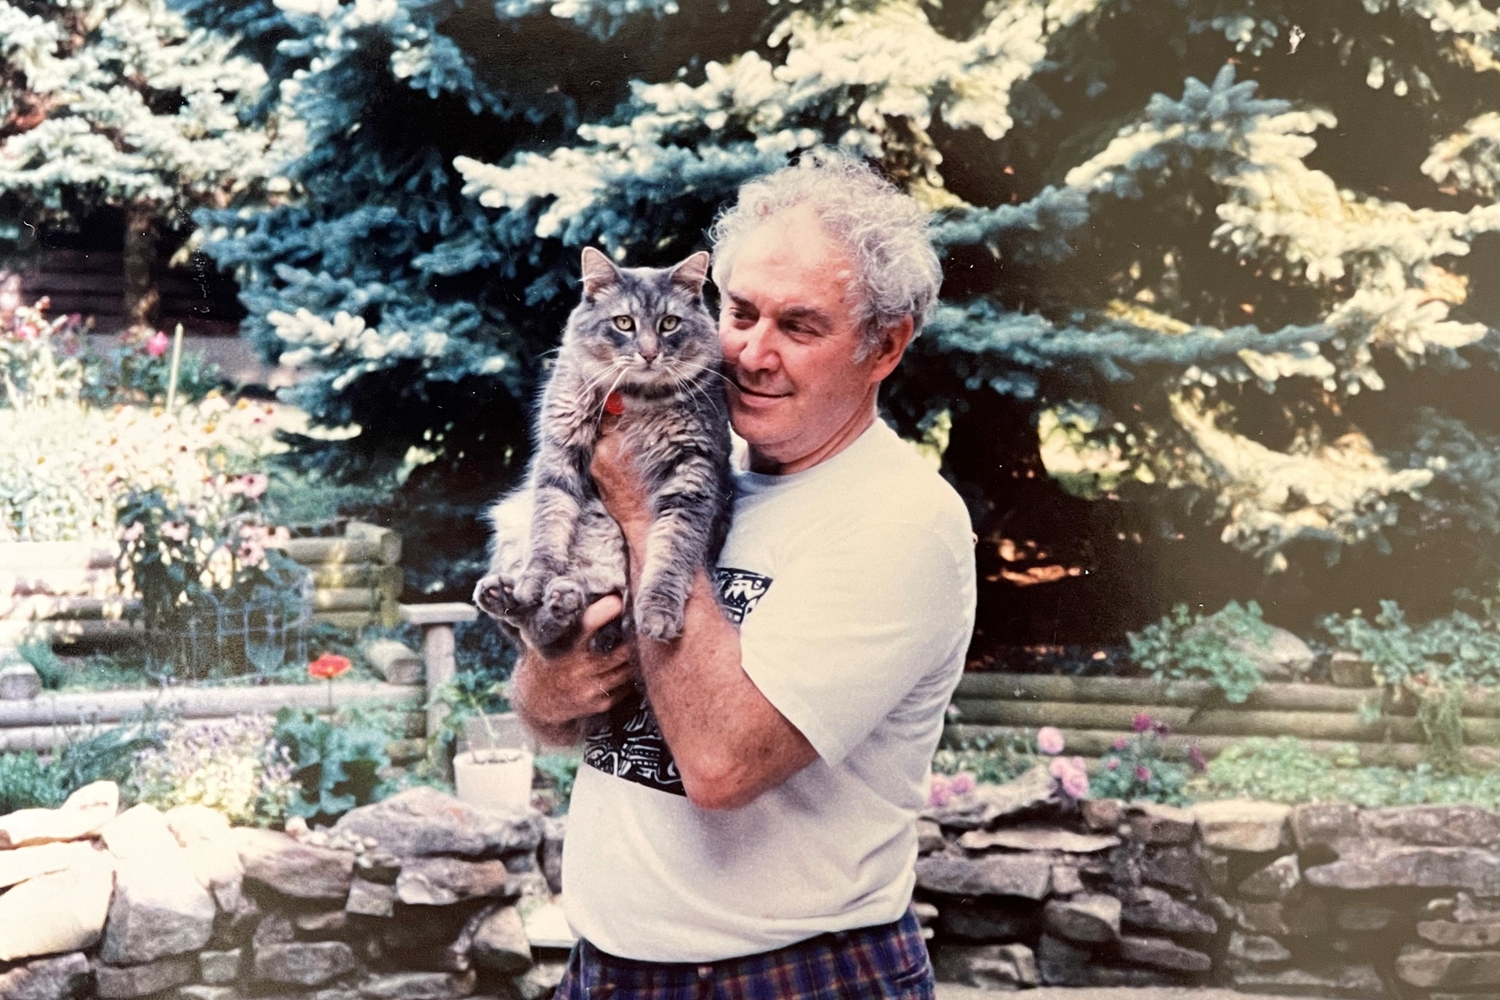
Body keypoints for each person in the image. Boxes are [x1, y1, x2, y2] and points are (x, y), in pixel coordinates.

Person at [509, 153, 977, 999]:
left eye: (799, 327)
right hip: (608, 969)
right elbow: (550, 719)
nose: (751, 353)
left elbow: (721, 767)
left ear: (886, 346)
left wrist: (643, 513)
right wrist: (547, 680)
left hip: (791, 977)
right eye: (739, 311)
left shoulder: (900, 521)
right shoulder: (703, 463)